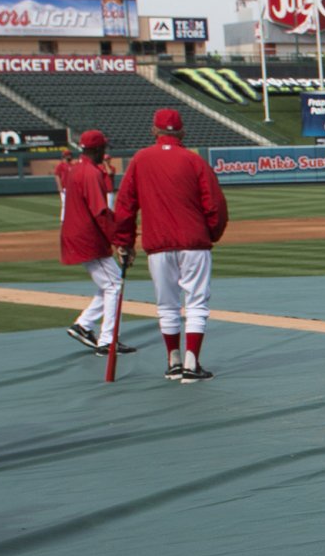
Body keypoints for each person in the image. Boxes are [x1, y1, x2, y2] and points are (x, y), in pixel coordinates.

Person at [117, 108, 229, 381]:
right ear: (182, 132)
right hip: (194, 243)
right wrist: (209, 234)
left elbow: (124, 207)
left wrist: (124, 242)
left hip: (157, 244)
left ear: (154, 131)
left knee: (166, 305)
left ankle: (173, 362)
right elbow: (215, 205)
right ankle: (192, 364)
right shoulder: (194, 161)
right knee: (197, 304)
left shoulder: (140, 159)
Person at [57, 130, 135, 355]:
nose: (105, 152)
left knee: (108, 284)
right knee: (113, 285)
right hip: (87, 237)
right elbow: (100, 212)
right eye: (104, 148)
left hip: (79, 234)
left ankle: (83, 326)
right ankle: (107, 341)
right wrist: (120, 241)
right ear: (97, 149)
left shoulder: (76, 170)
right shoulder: (91, 173)